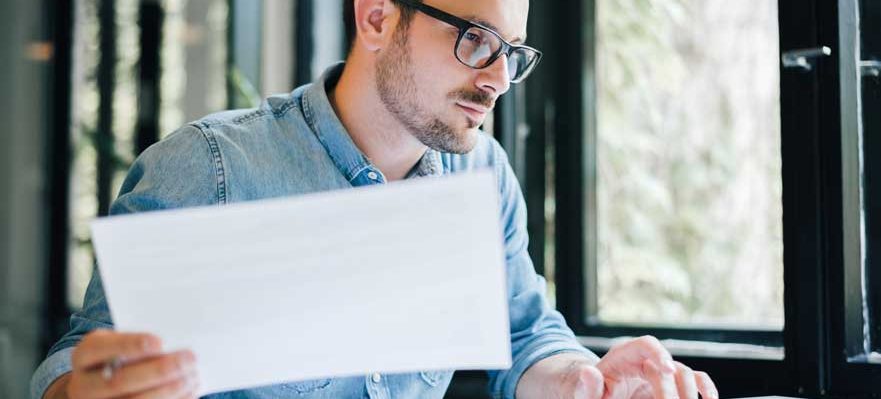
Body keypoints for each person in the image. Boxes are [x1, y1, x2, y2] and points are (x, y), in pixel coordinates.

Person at [32, 0, 720, 398]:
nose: (499, 79)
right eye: (476, 40)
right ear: (376, 18)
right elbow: (80, 361)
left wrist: (586, 380)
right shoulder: (209, 169)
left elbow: (521, 334)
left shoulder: (481, 175)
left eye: (512, 52)